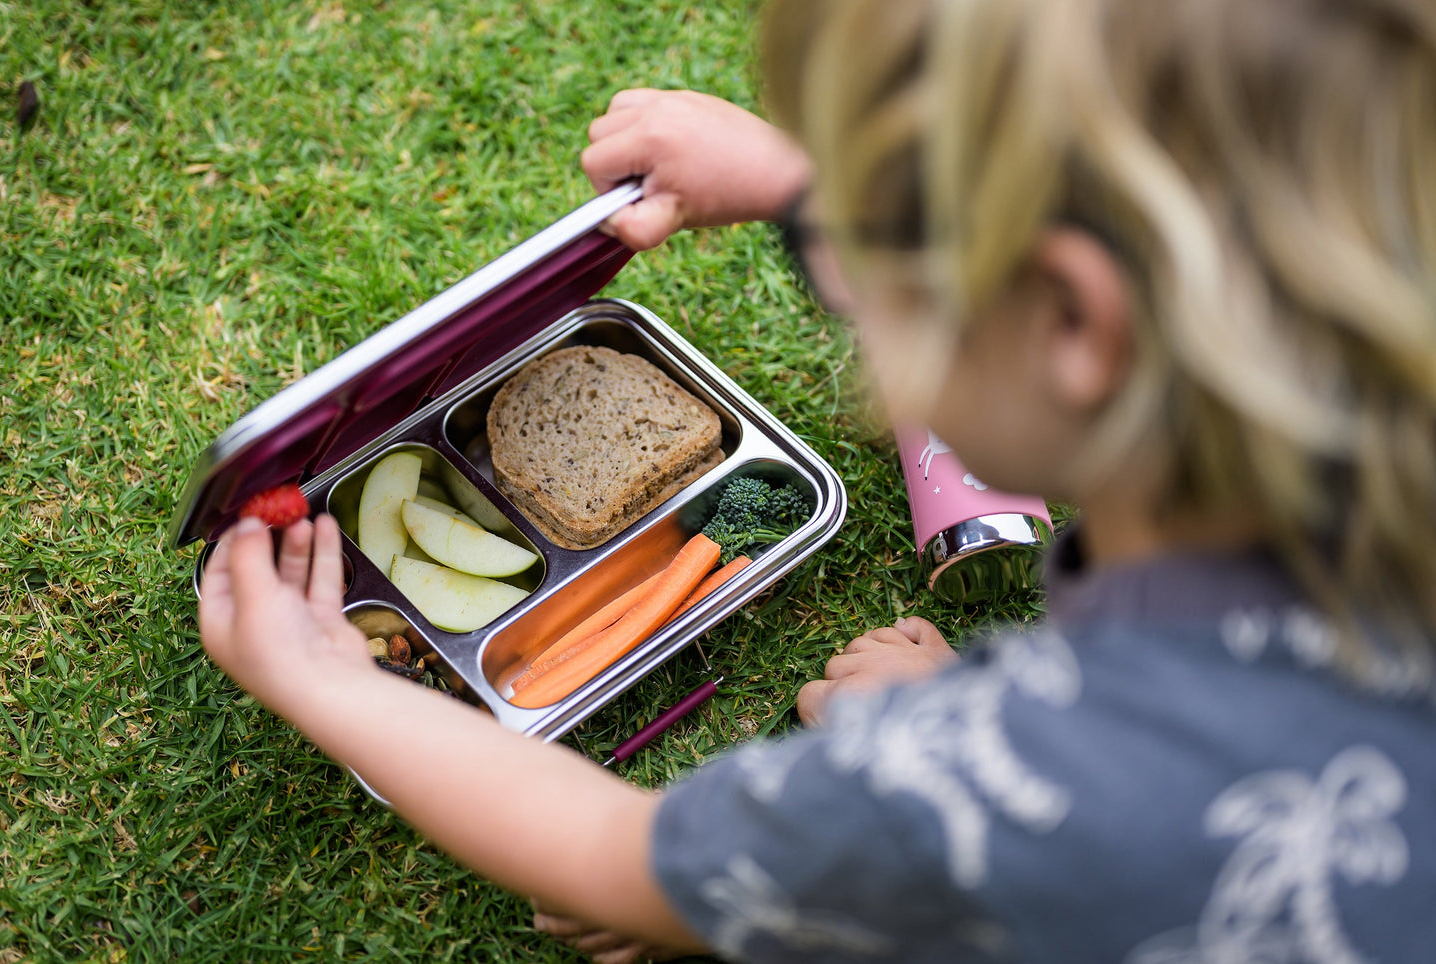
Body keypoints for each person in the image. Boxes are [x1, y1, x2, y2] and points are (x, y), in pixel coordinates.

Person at [198, 0, 1436, 961]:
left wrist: (322, 681)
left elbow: (617, 858)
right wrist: (801, 187)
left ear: (1072, 327)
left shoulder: (998, 784)